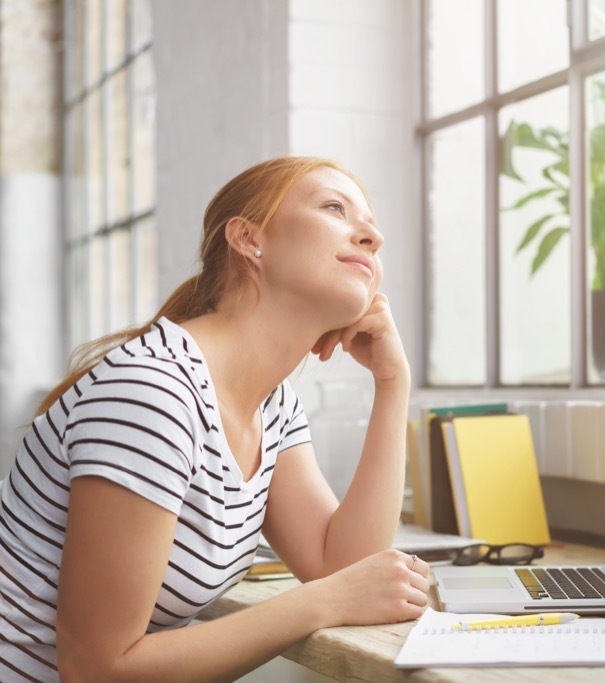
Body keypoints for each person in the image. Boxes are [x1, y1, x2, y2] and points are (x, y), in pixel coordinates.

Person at [0, 156, 430, 682]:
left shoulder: (271, 405)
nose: (372, 235)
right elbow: (94, 669)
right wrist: (319, 603)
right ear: (249, 240)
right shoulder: (154, 391)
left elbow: (344, 568)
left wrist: (392, 385)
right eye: (335, 208)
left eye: (370, 221)